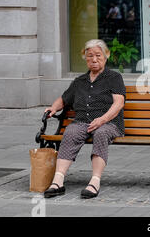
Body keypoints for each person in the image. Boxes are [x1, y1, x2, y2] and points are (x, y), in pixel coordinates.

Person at [43, 39, 126, 199]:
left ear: (106, 56)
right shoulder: (79, 81)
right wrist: (53, 108)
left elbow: (118, 103)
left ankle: (95, 181)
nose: (94, 59)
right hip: (82, 121)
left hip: (108, 123)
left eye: (98, 55)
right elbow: (64, 99)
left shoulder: (114, 77)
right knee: (71, 132)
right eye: (90, 56)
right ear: (85, 58)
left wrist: (102, 119)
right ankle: (58, 181)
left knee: (101, 133)